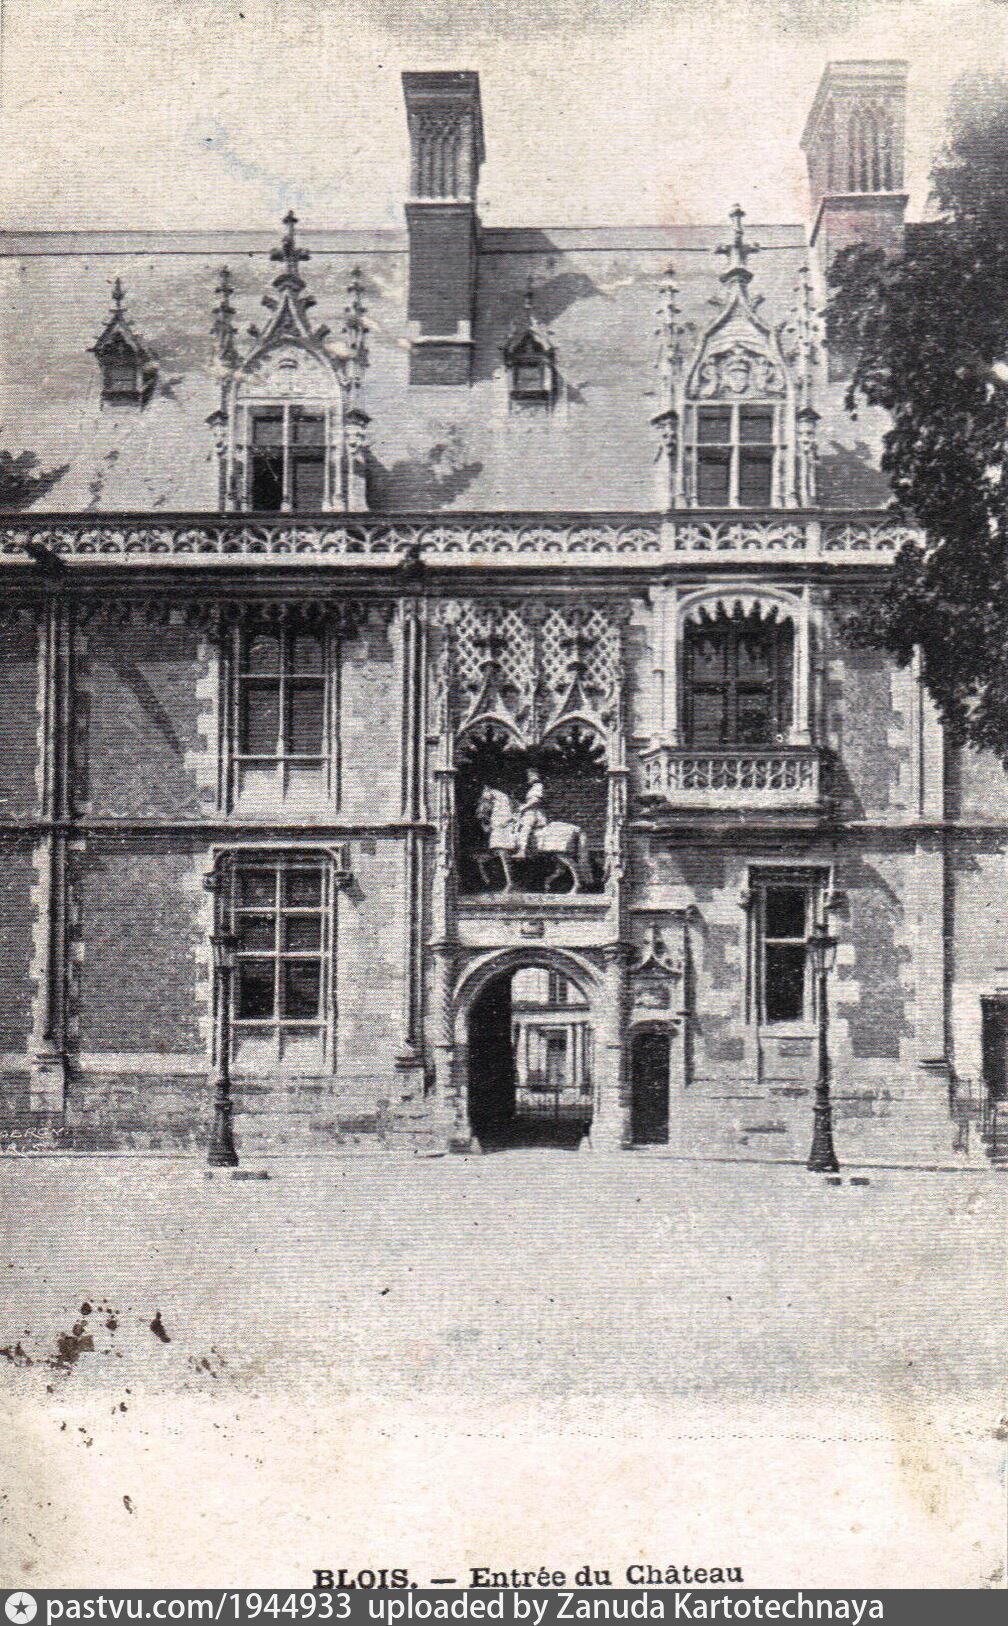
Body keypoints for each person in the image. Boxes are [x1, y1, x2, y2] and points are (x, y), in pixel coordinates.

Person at [514, 770, 547, 859]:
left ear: (536, 776)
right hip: (531, 811)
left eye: (530, 776)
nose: (529, 778)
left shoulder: (538, 786)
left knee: (525, 828)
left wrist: (523, 807)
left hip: (534, 812)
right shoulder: (533, 787)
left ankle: (522, 851)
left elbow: (536, 800)